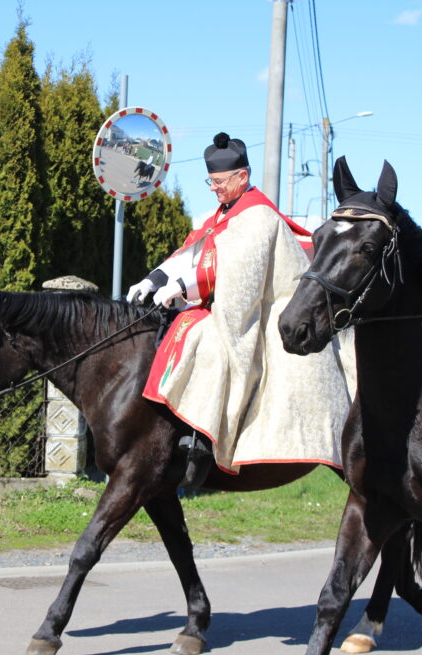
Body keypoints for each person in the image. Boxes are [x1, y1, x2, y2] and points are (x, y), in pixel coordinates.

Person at [125, 133, 346, 488]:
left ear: (241, 178)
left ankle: (202, 440)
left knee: (208, 344)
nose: (213, 188)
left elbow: (240, 273)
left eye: (218, 182)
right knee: (187, 328)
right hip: (222, 302)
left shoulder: (258, 215)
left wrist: (183, 287)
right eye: (210, 182)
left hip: (266, 316)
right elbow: (196, 252)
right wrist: (155, 278)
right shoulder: (225, 213)